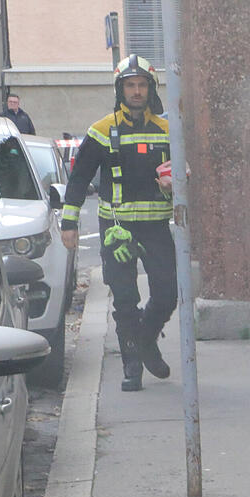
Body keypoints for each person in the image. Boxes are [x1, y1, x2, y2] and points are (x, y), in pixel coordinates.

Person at [61, 55, 176, 392]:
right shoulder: (101, 130)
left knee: (168, 294)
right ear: (120, 90)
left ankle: (145, 340)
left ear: (151, 89)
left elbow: (186, 175)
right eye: (130, 85)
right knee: (125, 299)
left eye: (142, 85)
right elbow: (79, 178)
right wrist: (69, 223)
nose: (136, 91)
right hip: (117, 230)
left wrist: (176, 183)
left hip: (156, 228)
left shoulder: (168, 130)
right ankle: (132, 365)